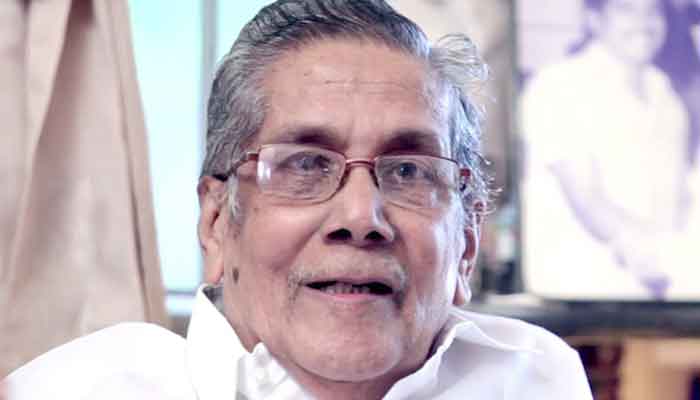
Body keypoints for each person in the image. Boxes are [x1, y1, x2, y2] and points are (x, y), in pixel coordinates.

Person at [4, 1, 592, 399]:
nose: (361, 217)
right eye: (305, 164)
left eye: (408, 170)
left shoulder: (535, 378)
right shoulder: (73, 390)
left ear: (466, 242)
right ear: (216, 223)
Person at [521, 0, 690, 300]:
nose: (643, 22)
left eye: (653, 11)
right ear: (594, 19)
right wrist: (664, 256)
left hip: (659, 289)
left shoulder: (667, 98)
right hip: (576, 290)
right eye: (627, 10)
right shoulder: (560, 86)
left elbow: (676, 198)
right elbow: (587, 199)